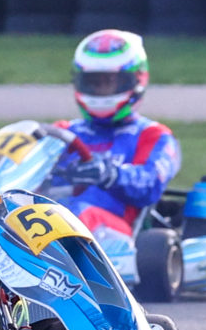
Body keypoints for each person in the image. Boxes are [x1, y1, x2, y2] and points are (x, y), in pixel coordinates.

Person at [42, 29, 180, 237]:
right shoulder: (62, 132)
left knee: (76, 216)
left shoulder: (153, 136)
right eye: (93, 83)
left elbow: (149, 184)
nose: (100, 90)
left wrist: (110, 174)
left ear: (136, 80)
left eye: (109, 82)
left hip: (114, 233)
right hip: (48, 224)